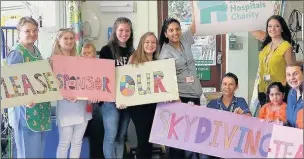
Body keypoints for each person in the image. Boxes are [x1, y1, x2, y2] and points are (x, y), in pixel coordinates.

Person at [158, 2, 202, 158]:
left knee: (191, 136)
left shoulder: (184, 39)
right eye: (171, 30)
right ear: (165, 34)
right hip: (180, 97)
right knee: (178, 138)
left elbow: (195, 25)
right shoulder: (165, 53)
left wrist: (193, 4)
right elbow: (167, 82)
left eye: (177, 29)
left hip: (194, 94)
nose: (175, 32)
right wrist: (178, 102)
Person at [6, 16, 51, 158]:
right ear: (19, 32)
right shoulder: (17, 53)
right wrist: (24, 101)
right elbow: (9, 83)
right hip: (26, 113)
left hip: (40, 110)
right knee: (27, 154)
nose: (32, 34)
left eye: (35, 31)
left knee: (37, 153)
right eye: (27, 31)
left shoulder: (35, 49)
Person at [51, 28, 92, 158]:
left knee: (77, 142)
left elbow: (88, 79)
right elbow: (52, 85)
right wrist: (65, 95)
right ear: (58, 41)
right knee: (64, 143)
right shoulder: (53, 60)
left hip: (81, 105)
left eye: (71, 38)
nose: (69, 41)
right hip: (65, 106)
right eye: (65, 38)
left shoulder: (80, 59)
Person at [99, 17, 134, 158]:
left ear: (131, 32)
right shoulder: (106, 50)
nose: (124, 33)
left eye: (127, 30)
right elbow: (104, 76)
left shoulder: (133, 51)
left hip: (127, 100)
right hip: (110, 100)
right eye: (121, 30)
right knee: (110, 136)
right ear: (115, 31)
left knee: (121, 137)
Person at [202, 72, 251, 159]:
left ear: (236, 87)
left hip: (235, 142)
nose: (227, 87)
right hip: (216, 143)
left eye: (231, 84)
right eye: (225, 84)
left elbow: (249, 118)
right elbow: (204, 123)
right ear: (221, 85)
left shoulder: (240, 101)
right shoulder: (212, 104)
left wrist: (243, 114)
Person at [250, 15, 296, 107]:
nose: (272, 29)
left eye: (276, 26)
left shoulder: (286, 46)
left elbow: (291, 71)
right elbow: (253, 31)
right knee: (266, 118)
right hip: (263, 90)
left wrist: (282, 87)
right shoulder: (266, 46)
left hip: (278, 92)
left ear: (282, 29)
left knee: (277, 119)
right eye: (270, 26)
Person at [126, 32, 159, 158]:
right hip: (138, 106)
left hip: (153, 104)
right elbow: (127, 81)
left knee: (150, 137)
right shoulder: (134, 59)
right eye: (147, 42)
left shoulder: (158, 62)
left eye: (153, 42)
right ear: (142, 44)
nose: (150, 45)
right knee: (143, 137)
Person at [81, 42, 105, 158]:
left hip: (96, 107)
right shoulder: (77, 69)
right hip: (82, 107)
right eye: (84, 53)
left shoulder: (101, 67)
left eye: (89, 53)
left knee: (97, 136)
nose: (86, 55)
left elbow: (105, 86)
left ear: (94, 54)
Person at [285, 62, 303, 129]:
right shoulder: (291, 93)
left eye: (295, 74)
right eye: (288, 75)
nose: (292, 78)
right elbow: (290, 120)